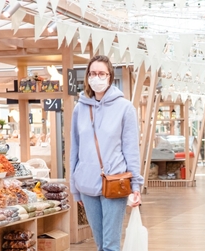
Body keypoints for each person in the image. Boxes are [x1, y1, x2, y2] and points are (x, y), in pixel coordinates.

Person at [70, 55, 144, 251]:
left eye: (101, 73)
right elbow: (74, 149)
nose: (97, 77)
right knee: (100, 244)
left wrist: (136, 184)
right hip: (86, 183)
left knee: (110, 245)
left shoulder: (125, 108)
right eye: (92, 73)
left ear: (110, 77)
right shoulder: (80, 108)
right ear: (87, 77)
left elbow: (131, 149)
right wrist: (74, 186)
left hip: (115, 181)